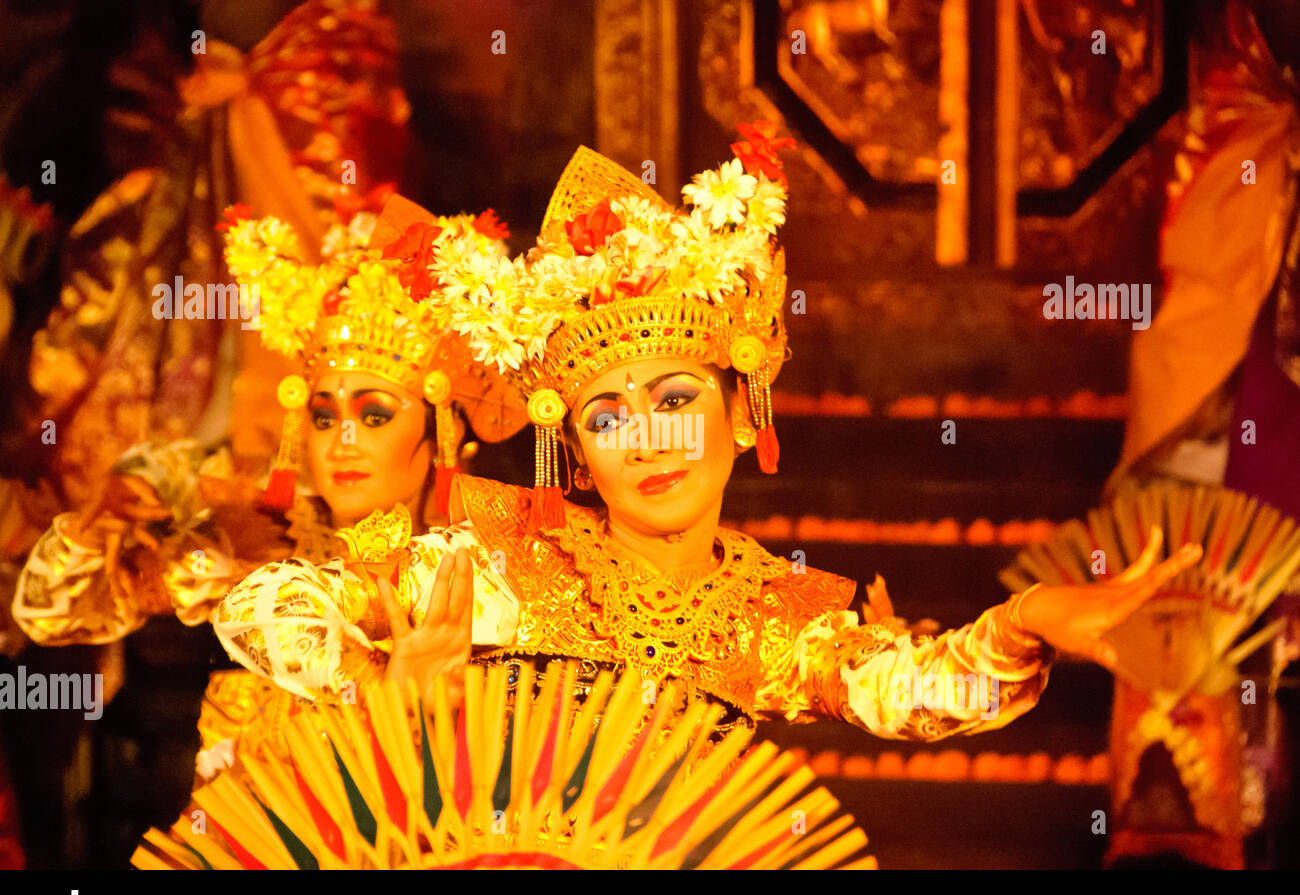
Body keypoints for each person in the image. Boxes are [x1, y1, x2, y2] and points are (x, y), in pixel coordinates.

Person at [214, 126, 1202, 745]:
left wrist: (1026, 621)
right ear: (572, 447)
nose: (646, 440)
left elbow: (901, 689)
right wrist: (383, 679)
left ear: (742, 413)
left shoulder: (759, 611)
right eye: (606, 416)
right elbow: (263, 606)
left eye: (677, 401)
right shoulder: (500, 568)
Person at [11, 201, 519, 773]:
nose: (342, 441)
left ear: (442, 431)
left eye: (375, 416)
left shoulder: (487, 562)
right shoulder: (264, 541)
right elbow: (52, 616)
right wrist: (89, 530)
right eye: (323, 418)